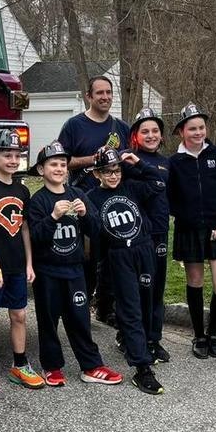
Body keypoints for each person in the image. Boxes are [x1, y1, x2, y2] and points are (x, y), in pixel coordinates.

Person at [26, 142, 123, 388]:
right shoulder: (38, 201)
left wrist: (85, 215)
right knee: (48, 320)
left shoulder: (77, 194)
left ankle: (90, 365)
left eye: (62, 164)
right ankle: (52, 366)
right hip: (48, 272)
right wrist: (53, 217)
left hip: (75, 270)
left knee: (80, 318)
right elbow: (35, 237)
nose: (59, 168)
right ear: (41, 170)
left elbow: (96, 230)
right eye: (53, 164)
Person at [0, 127, 44, 399]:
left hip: (16, 265)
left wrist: (29, 263)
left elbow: (24, 229)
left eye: (17, 155)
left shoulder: (22, 190)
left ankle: (20, 363)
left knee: (20, 315)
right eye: (6, 155)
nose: (12, 160)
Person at [88, 146, 166, 395]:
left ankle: (141, 344)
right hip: (118, 257)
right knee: (130, 308)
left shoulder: (131, 186)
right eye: (106, 172)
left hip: (144, 250)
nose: (113, 176)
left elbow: (158, 182)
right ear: (97, 174)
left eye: (116, 170)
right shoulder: (92, 197)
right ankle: (142, 368)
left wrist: (137, 162)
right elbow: (90, 227)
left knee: (147, 303)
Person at [167, 103, 216, 361]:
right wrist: (184, 215)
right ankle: (198, 335)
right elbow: (169, 197)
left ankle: (213, 333)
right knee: (195, 282)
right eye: (192, 128)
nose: (198, 132)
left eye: (201, 127)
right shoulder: (174, 162)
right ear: (181, 132)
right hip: (190, 231)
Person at [57, 75, 131, 325]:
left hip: (114, 202)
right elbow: (62, 161)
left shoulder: (121, 128)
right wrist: (94, 159)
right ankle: (82, 306)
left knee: (112, 257)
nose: (105, 97)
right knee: (87, 257)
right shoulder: (74, 126)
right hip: (84, 201)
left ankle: (106, 309)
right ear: (89, 96)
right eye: (99, 93)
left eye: (109, 92)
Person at [129, 107, 171, 363]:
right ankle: (132, 337)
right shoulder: (129, 161)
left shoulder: (168, 163)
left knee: (157, 290)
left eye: (155, 130)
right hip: (136, 236)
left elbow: (170, 192)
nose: (151, 135)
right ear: (136, 135)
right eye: (145, 131)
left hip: (160, 234)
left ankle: (154, 338)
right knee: (137, 289)